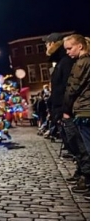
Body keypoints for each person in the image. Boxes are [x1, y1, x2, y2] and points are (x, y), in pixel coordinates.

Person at [62, 34, 90, 194]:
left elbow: (72, 88)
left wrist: (65, 109)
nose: (67, 52)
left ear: (80, 46)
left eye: (69, 48)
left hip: (85, 110)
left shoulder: (82, 63)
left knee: (86, 147)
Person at [42, 32, 75, 143]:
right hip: (60, 108)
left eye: (47, 43)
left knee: (73, 139)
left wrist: (64, 109)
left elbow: (67, 86)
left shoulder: (65, 61)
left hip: (64, 109)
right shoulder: (61, 61)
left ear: (52, 43)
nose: (46, 46)